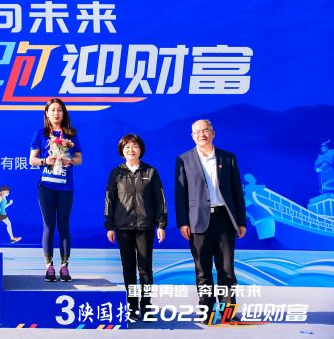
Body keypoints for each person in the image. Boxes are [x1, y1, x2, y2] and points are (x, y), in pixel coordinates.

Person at [175, 119, 246, 318]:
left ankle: (228, 312)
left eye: (205, 131)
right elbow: (180, 194)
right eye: (197, 132)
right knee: (202, 270)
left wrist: (241, 221)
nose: (202, 135)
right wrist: (183, 222)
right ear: (192, 136)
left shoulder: (228, 158)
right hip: (198, 221)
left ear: (213, 133)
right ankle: (206, 311)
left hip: (225, 219)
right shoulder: (184, 159)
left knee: (227, 270)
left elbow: (237, 191)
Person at [104, 133, 167, 321]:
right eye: (127, 147)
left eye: (134, 146)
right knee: (128, 268)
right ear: (122, 151)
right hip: (123, 227)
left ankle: (146, 306)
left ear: (140, 149)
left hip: (145, 227)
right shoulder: (116, 173)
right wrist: (109, 226)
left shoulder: (151, 172)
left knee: (145, 268)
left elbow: (160, 200)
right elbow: (109, 201)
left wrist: (161, 224)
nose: (131, 150)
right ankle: (131, 306)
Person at [29, 98, 82, 282]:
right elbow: (32, 160)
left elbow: (79, 159)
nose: (56, 113)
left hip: (65, 187)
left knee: (64, 225)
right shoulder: (40, 134)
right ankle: (49, 266)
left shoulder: (71, 134)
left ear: (63, 113)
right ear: (47, 113)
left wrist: (69, 160)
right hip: (46, 187)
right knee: (49, 225)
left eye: (59, 110)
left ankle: (65, 266)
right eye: (52, 110)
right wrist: (46, 161)